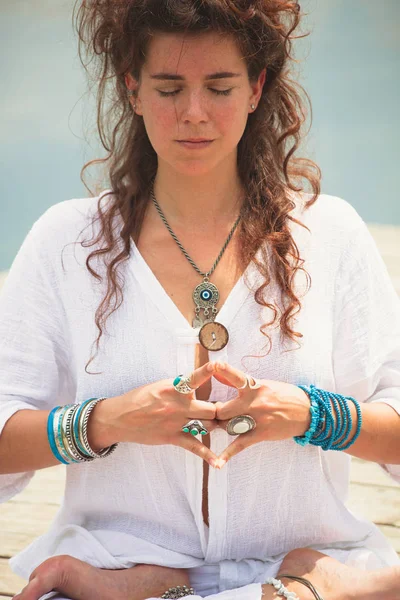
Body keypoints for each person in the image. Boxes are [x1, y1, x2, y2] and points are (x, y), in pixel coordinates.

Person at [0, 1, 399, 599]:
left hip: (286, 564)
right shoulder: (67, 241)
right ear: (132, 89)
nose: (193, 113)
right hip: (121, 561)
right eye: (168, 88)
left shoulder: (330, 234)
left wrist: (313, 415)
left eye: (219, 87)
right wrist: (107, 422)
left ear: (256, 88)